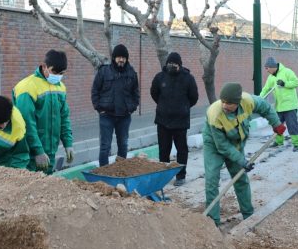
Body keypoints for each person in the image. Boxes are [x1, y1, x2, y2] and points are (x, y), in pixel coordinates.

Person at [203, 82, 286, 226]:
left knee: (241, 179)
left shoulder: (248, 101)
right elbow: (222, 146)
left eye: (228, 103)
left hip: (236, 143)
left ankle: (248, 215)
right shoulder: (214, 114)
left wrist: (276, 123)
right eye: (223, 101)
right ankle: (213, 222)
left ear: (237, 102)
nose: (224, 105)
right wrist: (242, 161)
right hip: (214, 146)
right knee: (211, 180)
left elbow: (266, 108)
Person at [13, 49, 74, 174]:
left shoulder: (60, 87)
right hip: (28, 153)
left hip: (50, 151)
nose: (57, 76)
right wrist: (38, 151)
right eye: (54, 72)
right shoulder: (27, 87)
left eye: (61, 73)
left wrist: (68, 143)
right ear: (44, 66)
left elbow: (64, 117)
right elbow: (26, 123)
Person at [150, 52, 199, 186]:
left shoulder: (188, 78)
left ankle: (180, 175)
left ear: (180, 65)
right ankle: (164, 175)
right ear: (166, 64)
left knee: (181, 150)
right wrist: (162, 106)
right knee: (163, 150)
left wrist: (184, 107)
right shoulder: (160, 77)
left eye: (175, 64)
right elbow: (154, 93)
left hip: (181, 121)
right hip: (163, 120)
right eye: (170, 64)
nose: (172, 66)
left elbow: (194, 97)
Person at [91, 44, 140, 166]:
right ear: (114, 58)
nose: (121, 60)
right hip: (106, 116)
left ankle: (120, 170)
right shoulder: (104, 71)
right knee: (105, 146)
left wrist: (132, 108)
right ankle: (103, 172)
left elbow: (136, 93)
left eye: (124, 57)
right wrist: (99, 108)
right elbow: (95, 90)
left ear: (127, 59)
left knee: (123, 145)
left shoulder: (132, 73)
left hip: (124, 117)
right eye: (118, 57)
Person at [259, 57, 298, 152]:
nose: (266, 70)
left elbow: (296, 82)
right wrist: (259, 99)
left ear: (272, 67)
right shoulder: (271, 77)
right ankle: (279, 142)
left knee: (292, 125)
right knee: (277, 124)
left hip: (290, 105)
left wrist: (284, 83)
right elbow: (266, 89)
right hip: (279, 106)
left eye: (267, 68)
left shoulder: (287, 72)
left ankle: (296, 143)